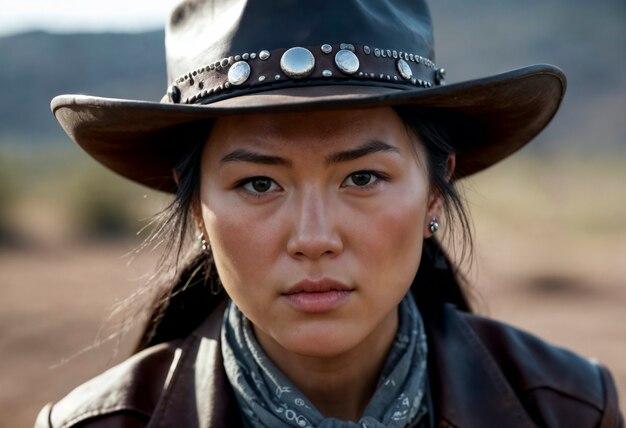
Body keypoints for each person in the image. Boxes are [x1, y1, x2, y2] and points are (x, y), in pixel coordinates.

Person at [36, 0, 623, 427]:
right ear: (196, 211)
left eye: (363, 177)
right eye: (258, 182)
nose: (313, 239)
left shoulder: (564, 407)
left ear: (434, 195)